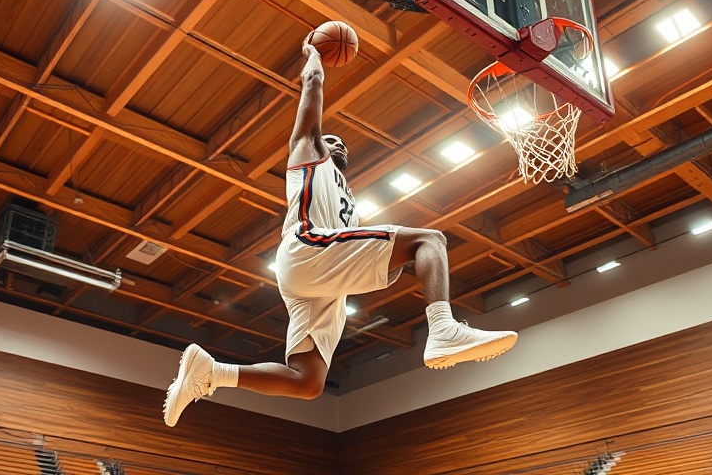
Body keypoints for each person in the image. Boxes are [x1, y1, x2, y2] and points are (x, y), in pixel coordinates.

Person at [162, 40, 518, 427]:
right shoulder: (308, 153)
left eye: (342, 142)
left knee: (308, 382)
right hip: (307, 246)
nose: (339, 143)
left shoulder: (350, 203)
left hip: (321, 278)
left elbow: (369, 260)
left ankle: (212, 373)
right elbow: (312, 95)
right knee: (430, 240)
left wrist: (401, 262)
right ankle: (444, 328)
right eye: (332, 139)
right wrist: (314, 58)